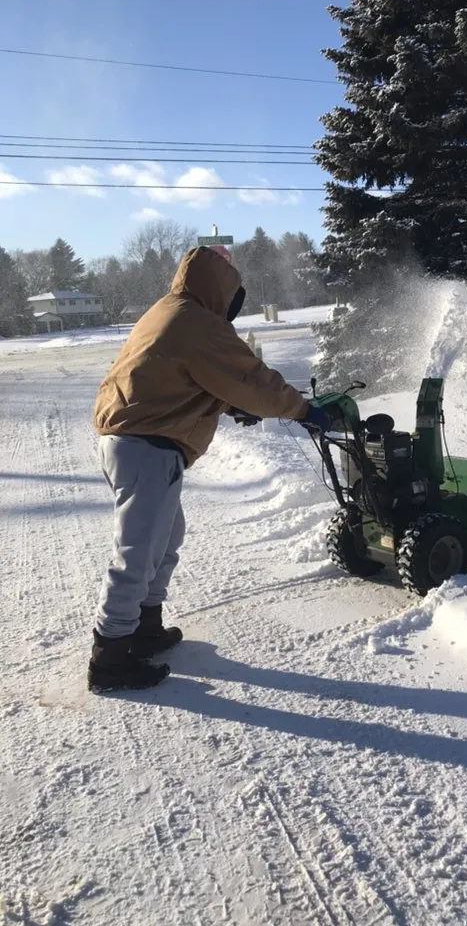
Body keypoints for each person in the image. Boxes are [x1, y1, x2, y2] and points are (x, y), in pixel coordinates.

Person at [88, 245, 329, 693]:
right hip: (147, 444)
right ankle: (110, 657)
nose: (232, 311)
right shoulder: (198, 322)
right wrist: (302, 410)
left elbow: (177, 375)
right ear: (221, 289)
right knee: (137, 551)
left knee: (165, 536)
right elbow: (251, 379)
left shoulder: (169, 309)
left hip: (131, 437)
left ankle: (145, 627)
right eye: (232, 298)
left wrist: (228, 403)